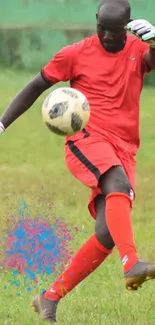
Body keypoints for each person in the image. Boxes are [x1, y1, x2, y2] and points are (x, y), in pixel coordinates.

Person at [1, 0, 155, 322]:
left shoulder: (138, 50)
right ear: (96, 22)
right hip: (87, 140)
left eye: (113, 31)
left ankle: (49, 298)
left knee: (107, 232)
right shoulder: (76, 53)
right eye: (100, 27)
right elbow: (35, 86)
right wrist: (2, 123)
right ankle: (132, 264)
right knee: (118, 184)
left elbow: (152, 59)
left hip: (124, 148)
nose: (105, 35)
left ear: (125, 28)